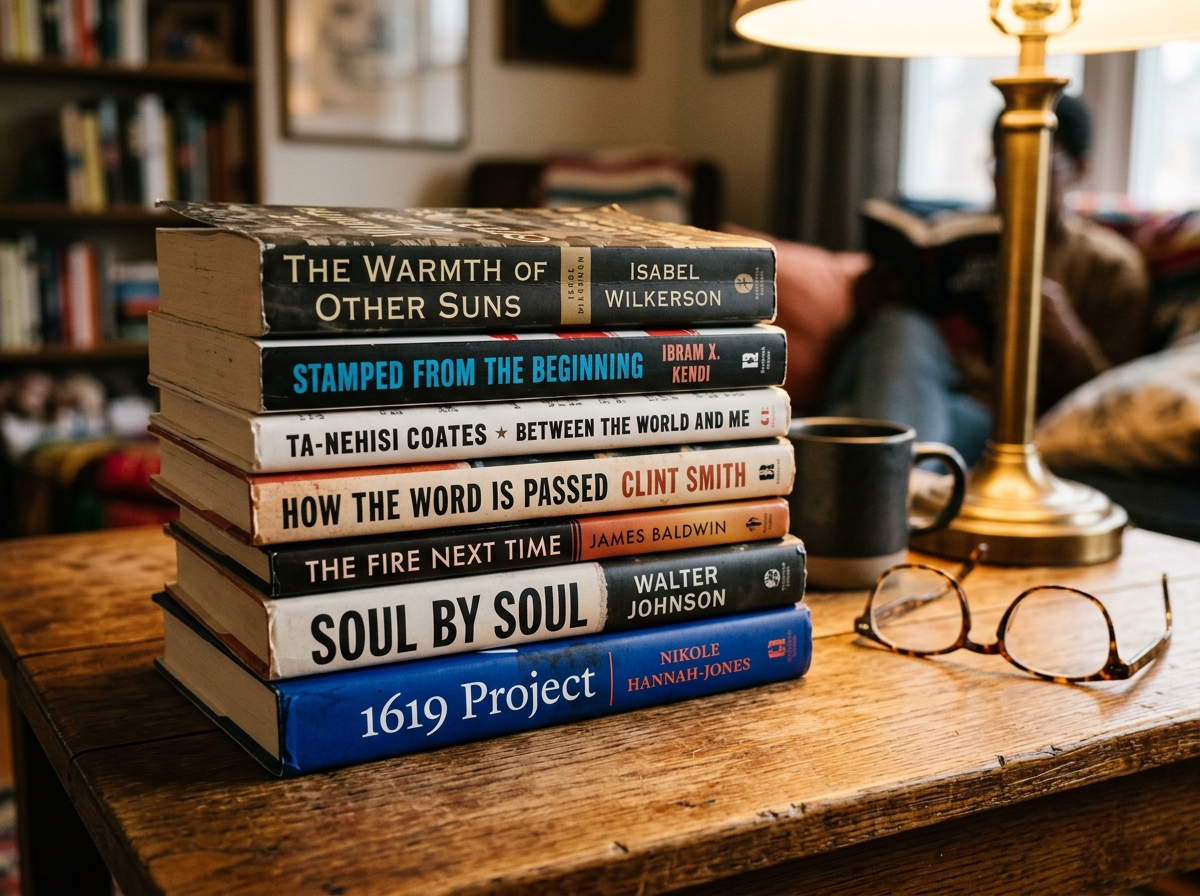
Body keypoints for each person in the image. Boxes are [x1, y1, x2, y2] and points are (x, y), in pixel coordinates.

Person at [823, 94, 1151, 467]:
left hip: (991, 419)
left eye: (1032, 163)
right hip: (914, 375)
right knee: (900, 331)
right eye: (1000, 163)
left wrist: (1067, 335)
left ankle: (878, 486)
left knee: (851, 419)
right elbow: (851, 357)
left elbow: (1122, 405)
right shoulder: (953, 234)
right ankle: (897, 494)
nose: (1009, 179)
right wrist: (864, 311)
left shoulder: (1112, 268)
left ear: (1079, 168)